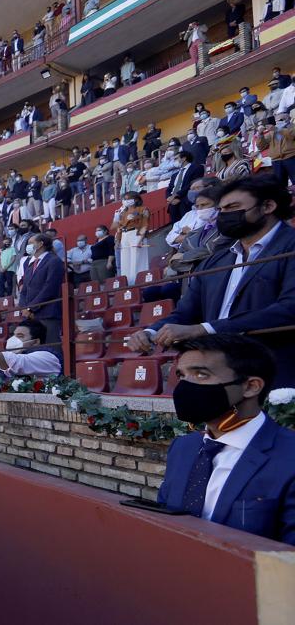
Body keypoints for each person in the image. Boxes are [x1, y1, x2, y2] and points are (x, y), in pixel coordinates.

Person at [130, 176, 295, 386]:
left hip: (277, 373)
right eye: (222, 210)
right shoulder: (215, 261)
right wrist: (150, 332)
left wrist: (206, 329)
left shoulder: (290, 246)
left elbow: (289, 309)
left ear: (268, 206)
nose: (225, 215)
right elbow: (185, 312)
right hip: (220, 376)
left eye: (233, 207)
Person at [157, 334, 295, 545]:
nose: (185, 386)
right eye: (181, 375)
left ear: (251, 386)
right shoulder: (182, 447)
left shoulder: (289, 457)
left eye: (201, 374)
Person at [18, 234, 65, 345]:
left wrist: (30, 308)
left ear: (40, 244)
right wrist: (24, 308)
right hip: (31, 316)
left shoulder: (54, 261)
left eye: (30, 243)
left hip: (48, 313)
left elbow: (49, 288)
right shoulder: (30, 265)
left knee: (51, 346)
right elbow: (24, 290)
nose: (28, 246)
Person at [113, 191, 151, 284]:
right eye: (124, 199)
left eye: (128, 199)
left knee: (137, 260)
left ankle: (140, 282)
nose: (125, 201)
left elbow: (144, 225)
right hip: (125, 236)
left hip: (136, 234)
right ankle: (128, 284)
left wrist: (140, 239)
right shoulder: (122, 212)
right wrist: (118, 240)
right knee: (125, 261)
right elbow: (119, 227)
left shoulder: (143, 209)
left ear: (136, 199)